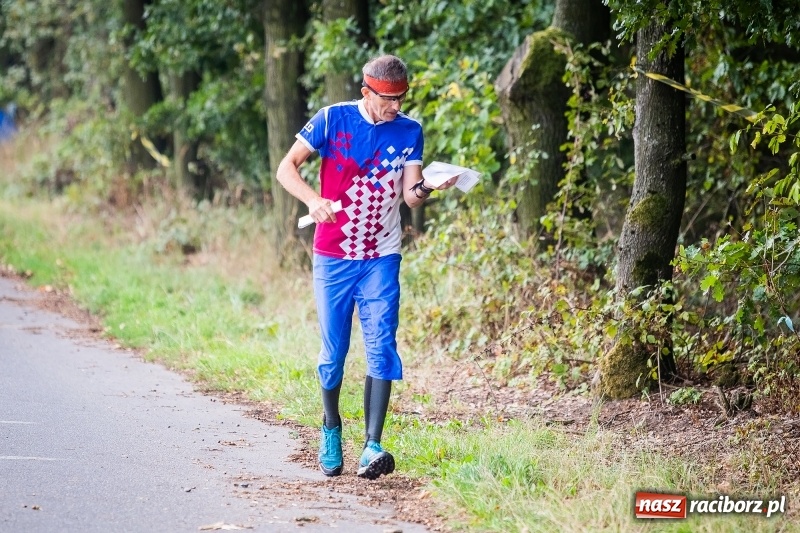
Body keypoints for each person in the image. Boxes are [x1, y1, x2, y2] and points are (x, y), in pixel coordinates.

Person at [275, 54, 456, 480]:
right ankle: (331, 427)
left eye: (402, 98)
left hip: (382, 253)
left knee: (381, 344)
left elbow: (410, 196)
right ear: (366, 92)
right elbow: (287, 168)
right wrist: (312, 200)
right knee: (334, 354)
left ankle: (372, 446)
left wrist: (430, 186)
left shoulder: (409, 130)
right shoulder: (331, 119)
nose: (396, 106)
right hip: (334, 254)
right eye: (389, 99)